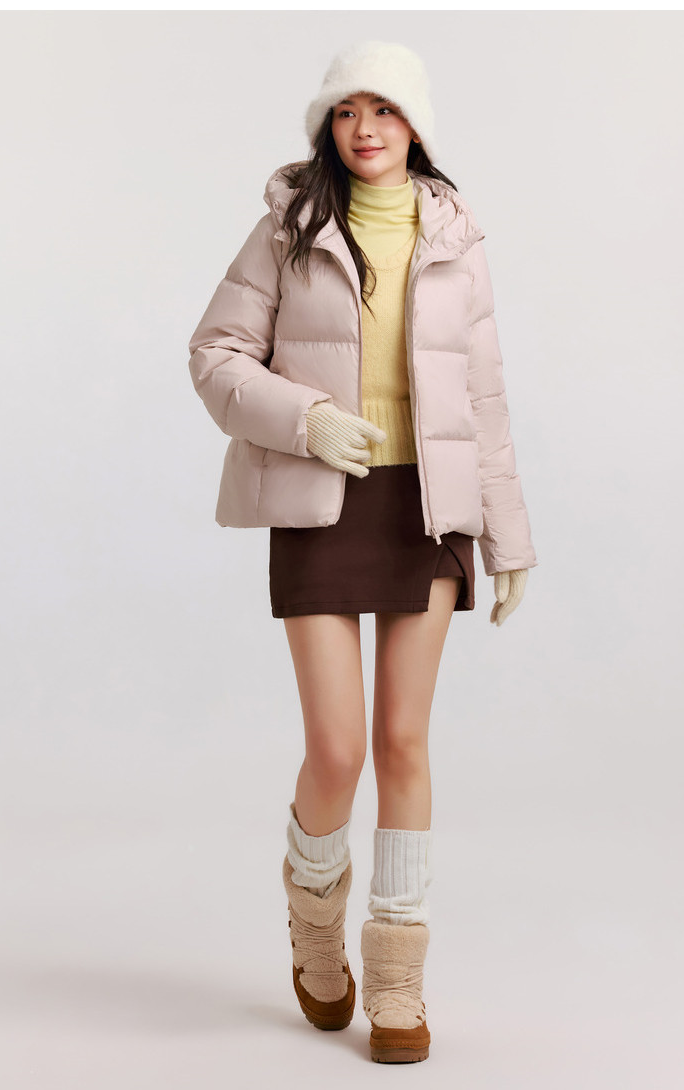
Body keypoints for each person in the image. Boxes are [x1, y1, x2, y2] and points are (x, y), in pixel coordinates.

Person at [187, 39, 538, 1064]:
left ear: (415, 124)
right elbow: (214, 355)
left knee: (404, 744)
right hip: (320, 497)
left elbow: (483, 397)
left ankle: (395, 977)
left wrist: (508, 535)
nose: (365, 128)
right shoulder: (287, 225)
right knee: (338, 750)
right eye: (346, 112)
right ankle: (313, 925)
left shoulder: (456, 234)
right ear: (327, 127)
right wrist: (306, 421)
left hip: (427, 507)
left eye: (383, 110)